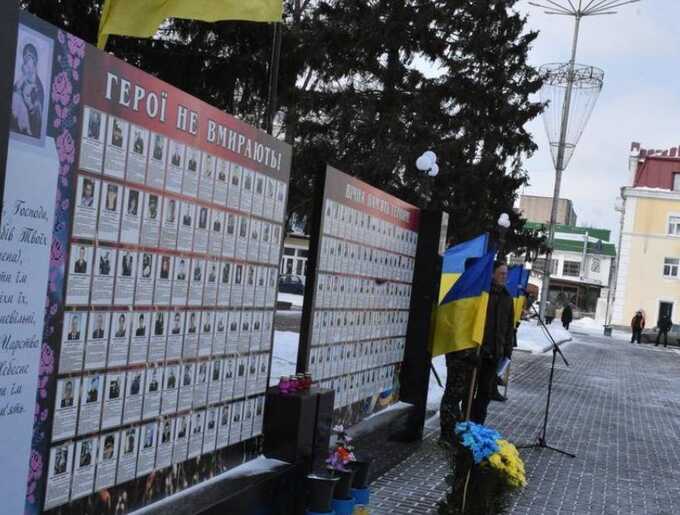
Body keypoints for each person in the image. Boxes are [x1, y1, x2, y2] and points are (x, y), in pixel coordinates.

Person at [11, 42, 44, 138]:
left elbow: (38, 121)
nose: (25, 62)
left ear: (35, 62)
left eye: (28, 58)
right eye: (24, 59)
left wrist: (29, 104)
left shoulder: (39, 88)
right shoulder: (21, 81)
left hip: (29, 133)